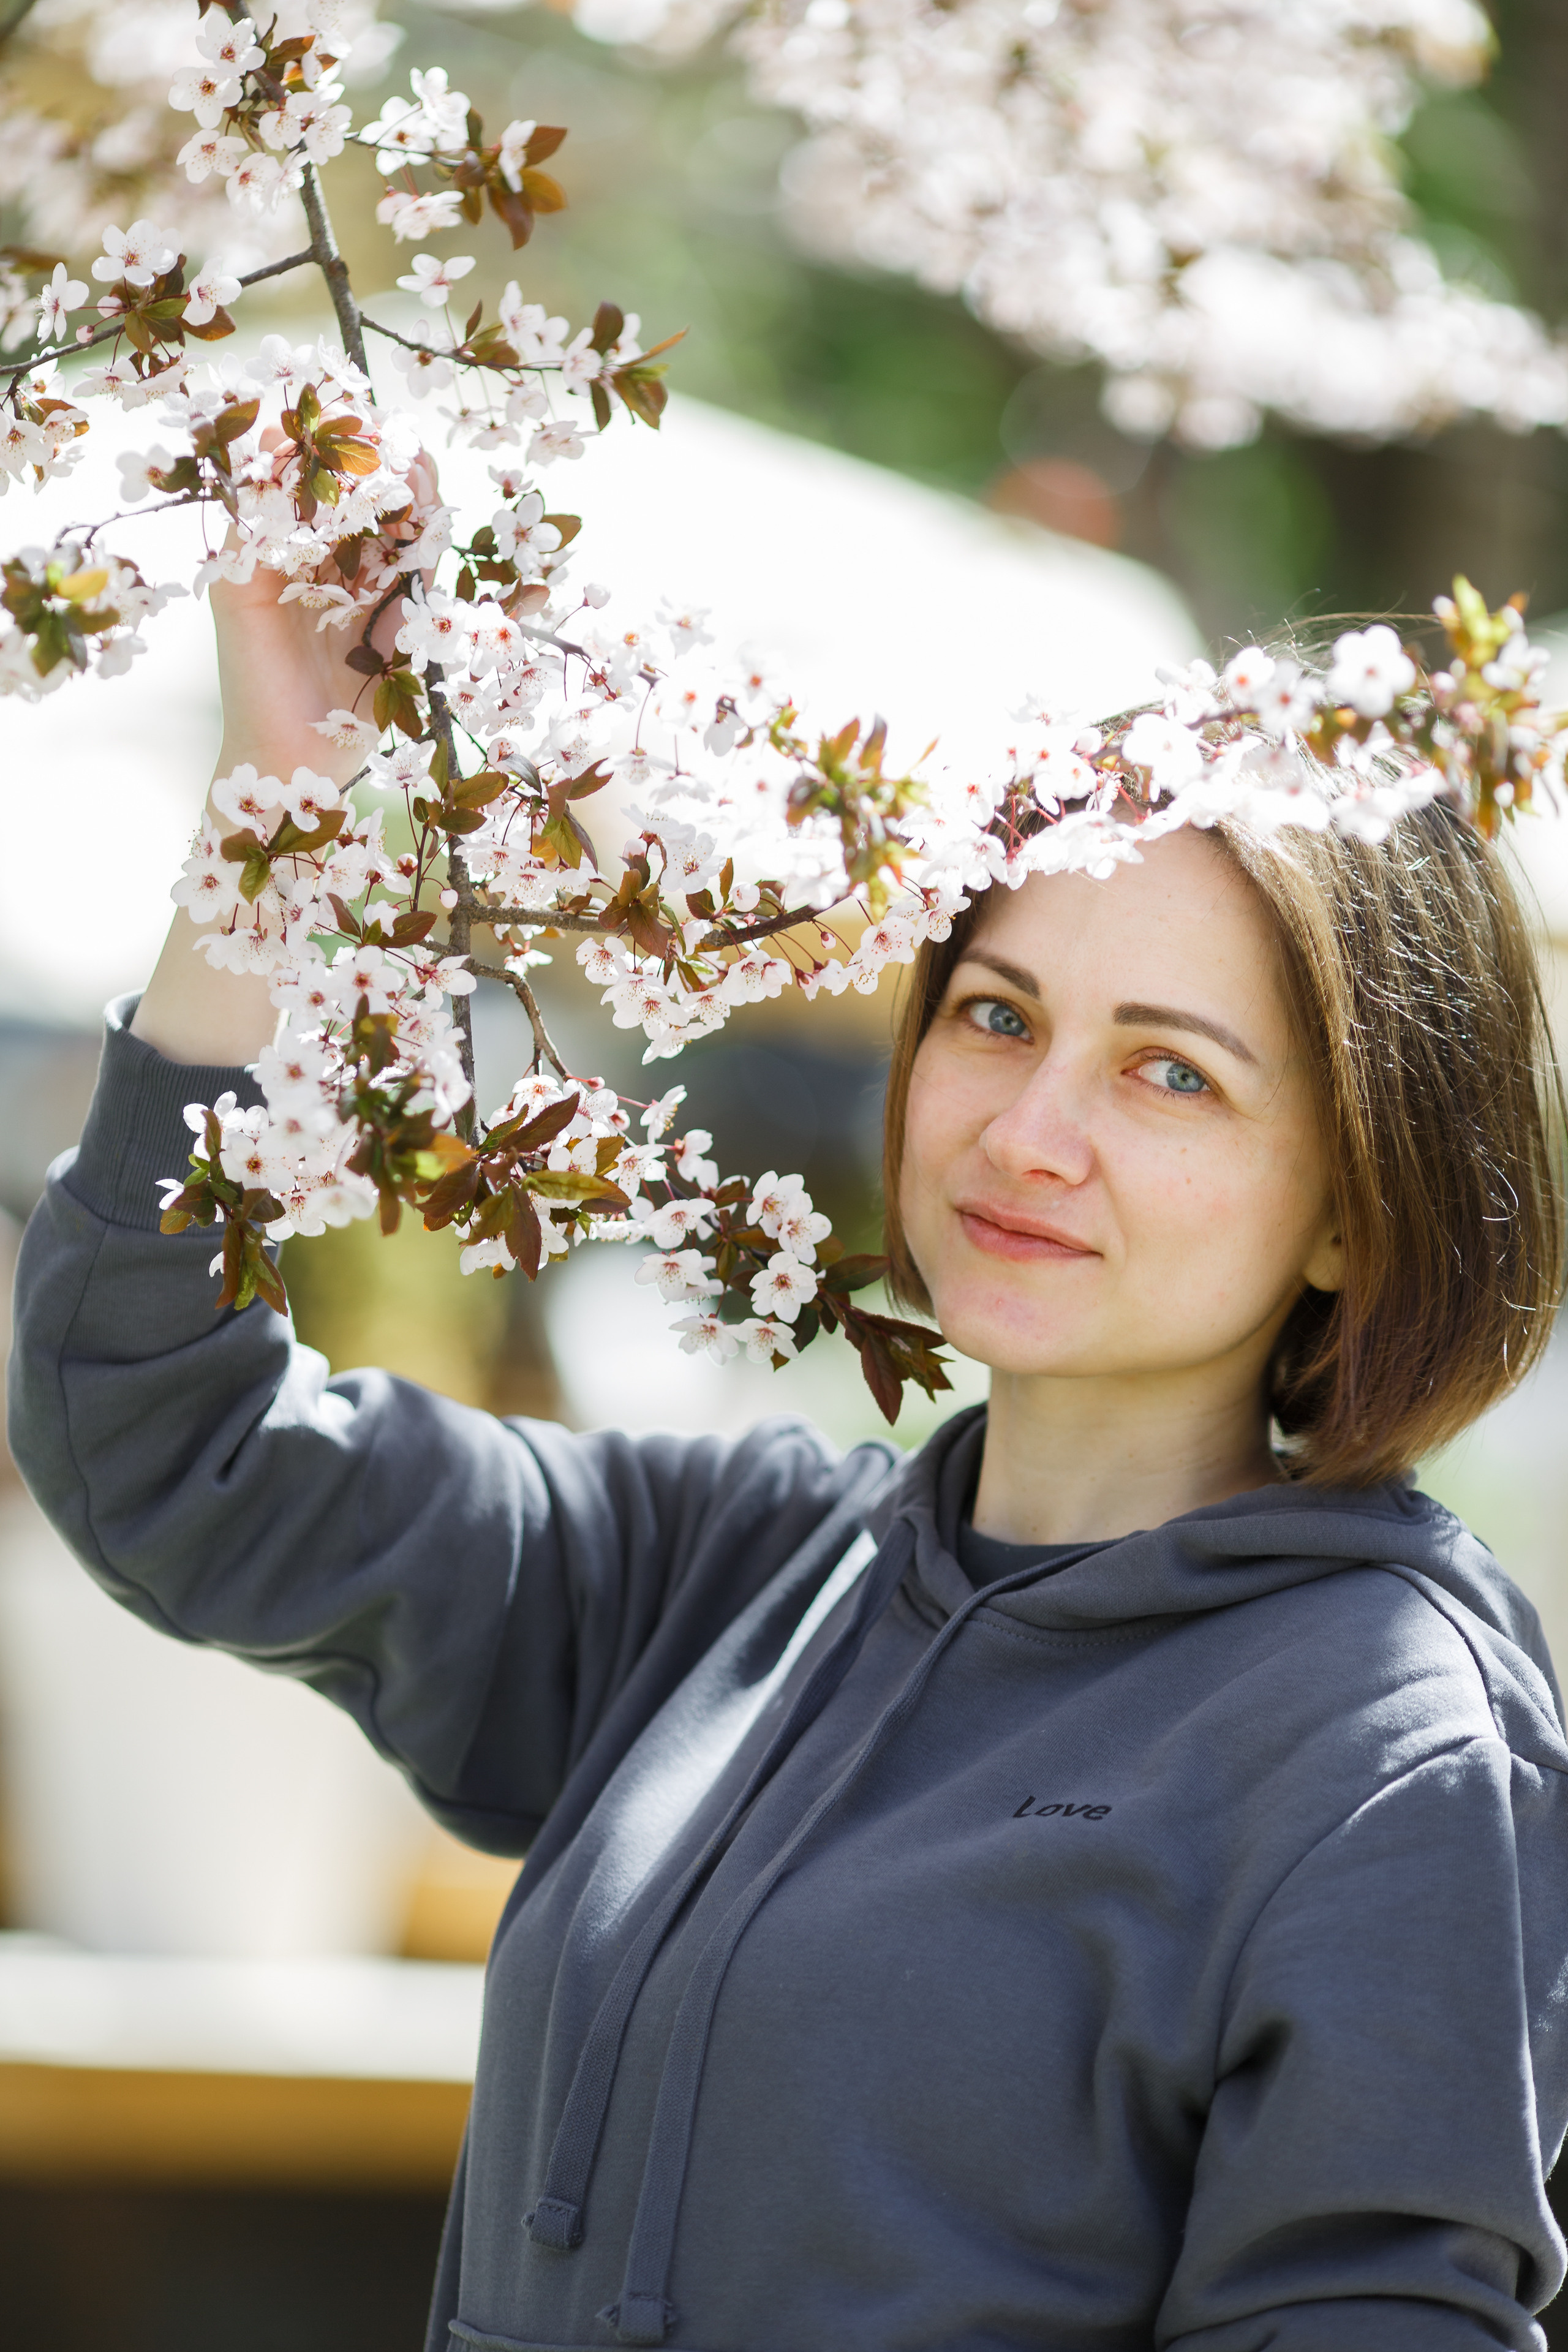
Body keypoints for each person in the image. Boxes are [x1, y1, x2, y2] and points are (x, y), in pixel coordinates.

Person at [9, 554, 1568, 2352]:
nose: (1030, 1131)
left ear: (1356, 1212)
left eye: (1173, 1075)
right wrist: (271, 803)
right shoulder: (721, 1575)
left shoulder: (1389, 1745)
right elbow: (160, 1425)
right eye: (998, 1015)